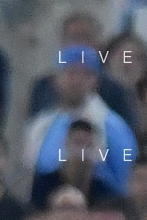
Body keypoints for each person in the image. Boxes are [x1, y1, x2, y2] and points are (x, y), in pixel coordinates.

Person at [24, 46, 137, 194]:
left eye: (86, 74)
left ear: (96, 81)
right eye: (71, 72)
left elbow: (126, 178)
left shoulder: (114, 128)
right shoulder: (41, 125)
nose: (77, 81)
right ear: (55, 78)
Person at [30, 118, 117, 210]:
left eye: (88, 145)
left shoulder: (105, 193)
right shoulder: (43, 186)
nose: (82, 150)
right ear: (66, 143)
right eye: (78, 143)